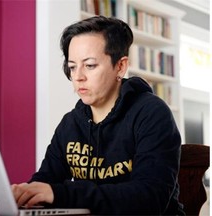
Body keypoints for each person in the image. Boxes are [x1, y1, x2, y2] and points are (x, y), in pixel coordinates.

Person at [11, 15, 184, 215]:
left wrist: (61, 194)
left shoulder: (151, 113)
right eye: (72, 66)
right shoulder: (70, 124)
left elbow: (149, 198)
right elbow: (46, 182)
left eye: (90, 65)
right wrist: (25, 194)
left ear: (120, 66)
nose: (78, 77)